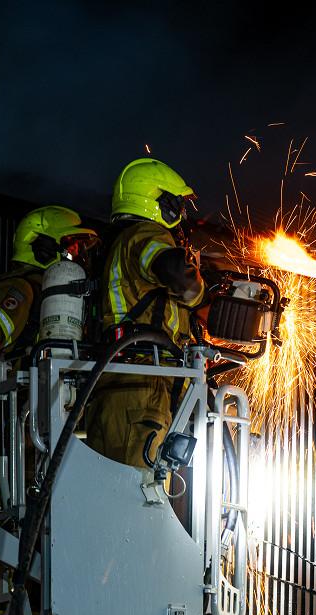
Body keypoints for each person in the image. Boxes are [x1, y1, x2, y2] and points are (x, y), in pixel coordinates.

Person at [84, 158, 206, 470]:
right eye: (177, 204)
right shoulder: (146, 234)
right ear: (161, 202)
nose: (180, 216)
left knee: (114, 491)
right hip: (142, 386)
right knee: (137, 496)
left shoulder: (120, 244)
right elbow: (176, 272)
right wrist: (201, 290)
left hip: (119, 385)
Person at [0, 205, 100, 378]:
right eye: (71, 248)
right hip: (27, 392)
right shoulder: (23, 286)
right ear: (43, 248)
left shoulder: (61, 291)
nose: (77, 254)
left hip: (55, 387)